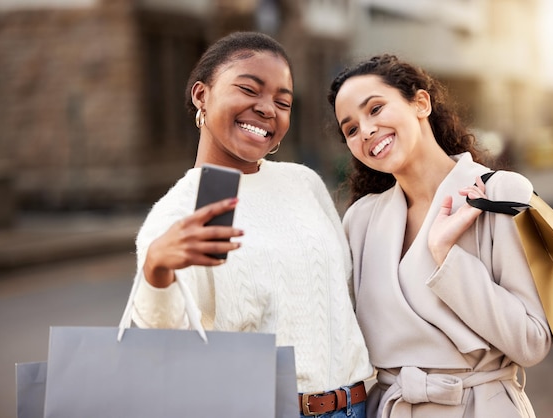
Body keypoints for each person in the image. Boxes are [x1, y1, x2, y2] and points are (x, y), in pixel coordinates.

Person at [119, 31, 373, 417]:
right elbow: (163, 338)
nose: (268, 108)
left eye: (282, 102)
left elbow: (348, 297)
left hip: (358, 405)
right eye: (249, 89)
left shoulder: (302, 183)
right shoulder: (177, 213)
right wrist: (157, 268)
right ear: (201, 95)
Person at [327, 54, 551, 417]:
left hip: (479, 406)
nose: (366, 130)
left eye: (376, 109)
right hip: (391, 408)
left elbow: (532, 341)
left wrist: (446, 256)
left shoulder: (497, 194)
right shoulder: (361, 219)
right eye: (350, 129)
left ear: (421, 103)